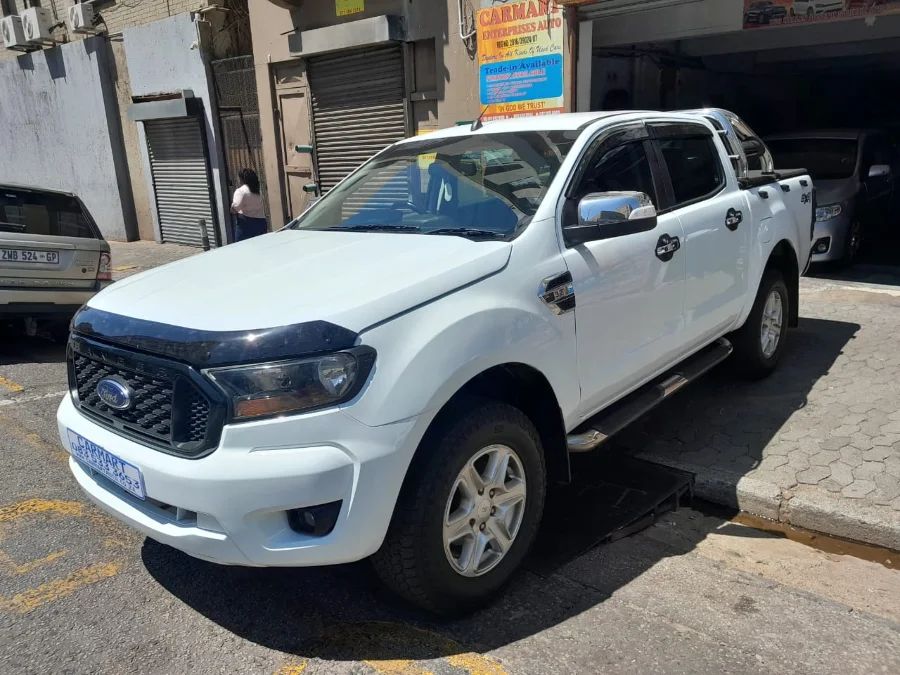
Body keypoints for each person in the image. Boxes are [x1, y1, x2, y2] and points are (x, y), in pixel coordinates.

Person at [231, 168, 268, 242]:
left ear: (241, 179)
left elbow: (235, 208)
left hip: (246, 224)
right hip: (261, 223)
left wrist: (232, 208)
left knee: (241, 246)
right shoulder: (257, 191)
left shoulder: (241, 191)